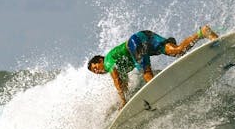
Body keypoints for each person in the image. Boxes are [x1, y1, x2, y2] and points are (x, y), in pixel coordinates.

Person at [87, 25, 219, 108]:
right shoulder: (118, 64)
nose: (97, 71)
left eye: (95, 67)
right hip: (144, 35)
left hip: (135, 42)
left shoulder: (108, 60)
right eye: (95, 72)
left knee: (147, 74)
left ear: (100, 59)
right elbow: (122, 82)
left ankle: (161, 91)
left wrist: (123, 101)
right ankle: (202, 32)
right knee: (177, 51)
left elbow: (116, 80)